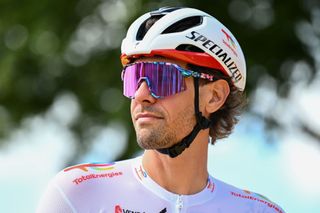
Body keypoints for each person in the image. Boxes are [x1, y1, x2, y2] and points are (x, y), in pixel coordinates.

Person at [37, 7, 285, 213]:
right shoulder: (77, 193)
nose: (141, 95)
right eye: (134, 78)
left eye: (163, 77)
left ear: (214, 96)